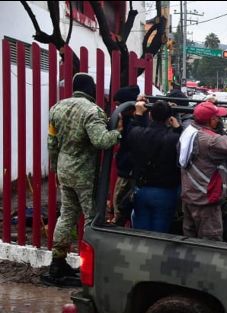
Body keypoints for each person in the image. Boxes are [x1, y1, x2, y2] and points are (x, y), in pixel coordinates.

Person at [45, 73, 122, 285]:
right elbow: (101, 141)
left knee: (66, 216)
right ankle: (89, 267)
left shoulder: (56, 108)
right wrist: (118, 133)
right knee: (91, 217)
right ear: (90, 89)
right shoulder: (92, 111)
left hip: (64, 169)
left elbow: (52, 143)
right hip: (84, 174)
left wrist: (55, 168)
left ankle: (57, 264)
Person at [180, 101, 227, 241]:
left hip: (190, 195)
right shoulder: (210, 140)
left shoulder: (189, 130)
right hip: (205, 201)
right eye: (217, 117)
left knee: (189, 240)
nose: (219, 120)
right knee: (210, 243)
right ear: (211, 120)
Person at [125, 100, 182, 233]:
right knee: (160, 231)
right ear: (169, 119)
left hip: (141, 188)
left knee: (141, 230)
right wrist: (178, 128)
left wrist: (138, 115)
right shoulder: (174, 138)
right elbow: (183, 148)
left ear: (150, 115)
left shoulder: (137, 133)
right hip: (166, 190)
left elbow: (130, 133)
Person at [112, 85, 140, 226]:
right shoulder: (129, 121)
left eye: (118, 105)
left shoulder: (133, 124)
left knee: (120, 204)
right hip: (128, 170)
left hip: (128, 172)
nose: (117, 109)